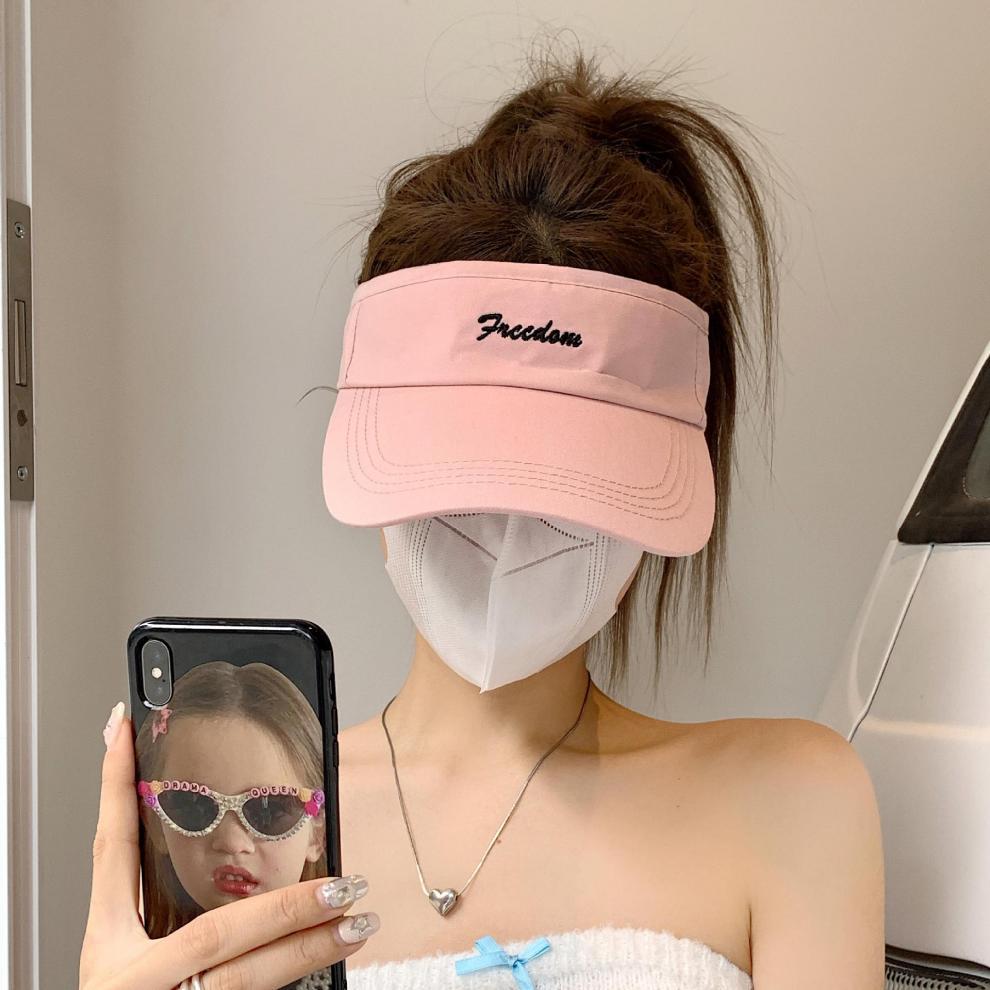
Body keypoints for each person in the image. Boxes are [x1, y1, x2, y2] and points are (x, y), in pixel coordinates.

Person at [80, 42, 885, 990]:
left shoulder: (790, 798)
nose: (509, 523)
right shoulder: (237, 822)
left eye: (572, 472)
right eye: (465, 461)